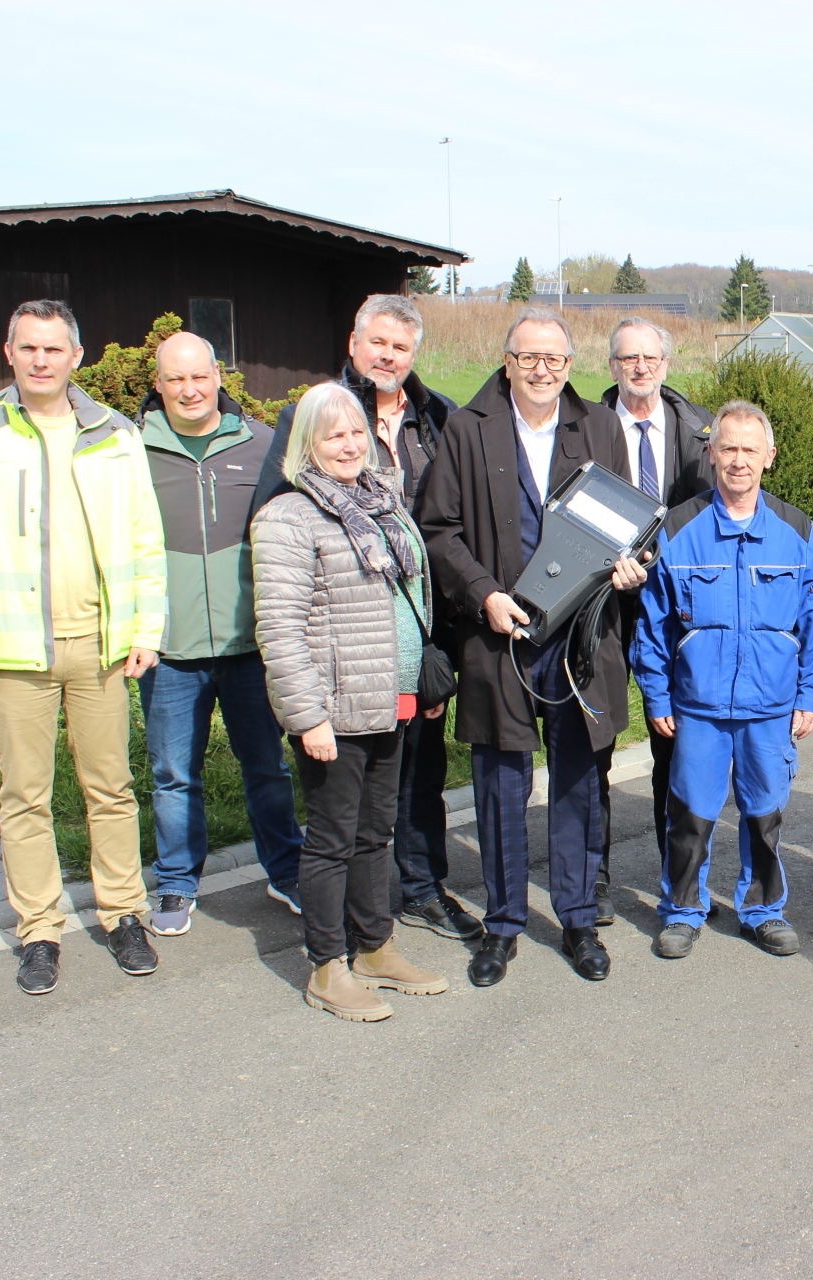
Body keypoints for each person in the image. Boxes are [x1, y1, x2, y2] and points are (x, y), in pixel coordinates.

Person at [0, 299, 166, 995]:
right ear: (9, 353)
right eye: (28, 347)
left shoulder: (116, 433)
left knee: (110, 788)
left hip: (101, 645)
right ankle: (39, 930)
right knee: (25, 796)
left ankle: (123, 914)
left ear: (75, 357)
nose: (40, 360)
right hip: (12, 651)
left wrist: (147, 628)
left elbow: (145, 539)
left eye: (53, 349)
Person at [417, 307, 643, 988]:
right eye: (529, 358)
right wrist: (484, 593)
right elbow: (439, 530)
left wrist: (632, 565)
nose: (542, 371)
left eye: (555, 359)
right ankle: (504, 924)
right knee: (500, 785)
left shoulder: (599, 426)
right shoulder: (467, 429)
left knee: (578, 781)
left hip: (579, 637)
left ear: (569, 365)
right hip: (499, 636)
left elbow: (628, 523)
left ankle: (577, 918)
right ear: (507, 362)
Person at [254, 295, 477, 944]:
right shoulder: (316, 412)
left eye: (401, 347)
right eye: (377, 342)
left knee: (417, 780)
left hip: (415, 636)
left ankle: (419, 890)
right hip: (344, 649)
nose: (388, 356)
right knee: (344, 813)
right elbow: (279, 530)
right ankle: (343, 937)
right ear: (354, 343)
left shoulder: (437, 418)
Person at [252, 382, 449, 1022]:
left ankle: (374, 946)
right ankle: (327, 965)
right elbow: (279, 629)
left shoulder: (382, 499)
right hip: (334, 708)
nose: (348, 445)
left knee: (375, 832)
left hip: (391, 697)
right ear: (306, 443)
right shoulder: (288, 517)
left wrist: (419, 683)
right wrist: (307, 716)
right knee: (332, 839)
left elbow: (409, 598)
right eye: (333, 434)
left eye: (357, 432)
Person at [633, 401, 813, 961]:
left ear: (769, 456)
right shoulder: (679, 528)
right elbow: (654, 624)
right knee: (689, 817)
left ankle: (763, 910)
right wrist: (656, 695)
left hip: (771, 706)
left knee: (764, 816)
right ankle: (682, 911)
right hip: (697, 706)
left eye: (750, 449)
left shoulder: (796, 530)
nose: (738, 460)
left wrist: (809, 693)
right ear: (711, 453)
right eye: (728, 449)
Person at [134, 331, 304, 934]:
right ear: (158, 384)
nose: (189, 390)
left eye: (199, 376)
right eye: (175, 379)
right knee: (174, 775)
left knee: (267, 767)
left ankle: (287, 872)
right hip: (168, 648)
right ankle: (176, 884)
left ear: (218, 377)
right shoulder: (131, 451)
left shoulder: (260, 444)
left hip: (249, 644)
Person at [596, 316, 716, 924]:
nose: (639, 367)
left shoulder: (699, 429)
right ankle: (591, 878)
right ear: (611, 366)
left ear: (666, 364)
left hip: (677, 610)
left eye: (650, 358)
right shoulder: (585, 428)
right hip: (602, 604)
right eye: (627, 358)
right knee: (595, 742)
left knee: (676, 741)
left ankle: (681, 881)